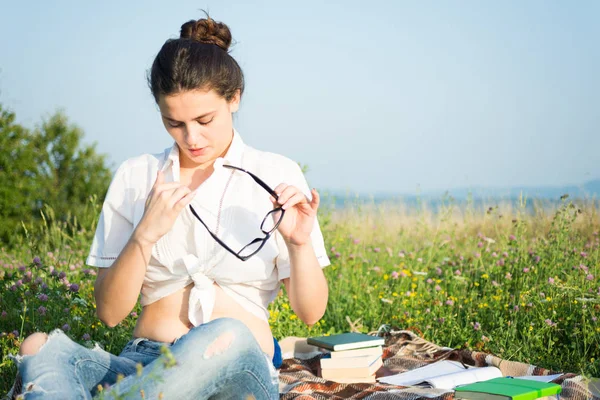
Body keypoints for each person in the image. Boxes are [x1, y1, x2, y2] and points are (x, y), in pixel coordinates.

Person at [8, 12, 330, 400]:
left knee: (224, 331)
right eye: (174, 123)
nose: (191, 137)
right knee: (39, 347)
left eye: (204, 120)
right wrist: (144, 236)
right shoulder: (136, 175)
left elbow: (310, 313)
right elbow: (110, 313)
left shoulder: (276, 172)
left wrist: (299, 244)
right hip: (144, 361)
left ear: (235, 98)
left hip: (237, 366)